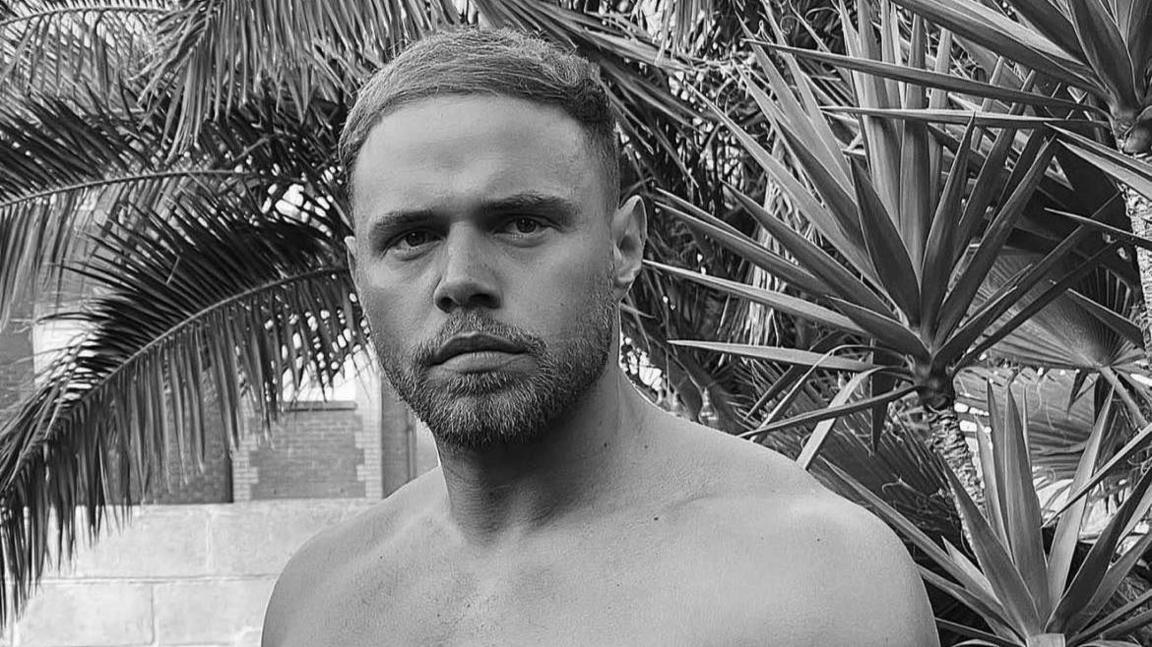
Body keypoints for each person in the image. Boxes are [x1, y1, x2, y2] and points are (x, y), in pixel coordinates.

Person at [261, 26, 938, 646]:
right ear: (358, 272)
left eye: (520, 222)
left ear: (624, 246)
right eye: (411, 237)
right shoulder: (320, 606)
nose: (461, 278)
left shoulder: (818, 581)